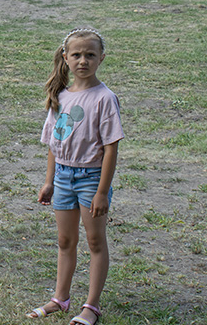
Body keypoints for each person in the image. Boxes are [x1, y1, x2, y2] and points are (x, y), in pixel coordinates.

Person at [27, 28, 123, 325]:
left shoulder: (105, 98)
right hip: (63, 178)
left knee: (95, 241)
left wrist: (102, 192)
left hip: (90, 178)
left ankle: (91, 306)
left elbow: (111, 149)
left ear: (101, 59)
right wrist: (49, 181)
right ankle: (60, 298)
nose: (84, 61)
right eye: (77, 55)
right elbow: (56, 143)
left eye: (90, 55)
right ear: (66, 58)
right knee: (65, 240)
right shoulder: (61, 96)